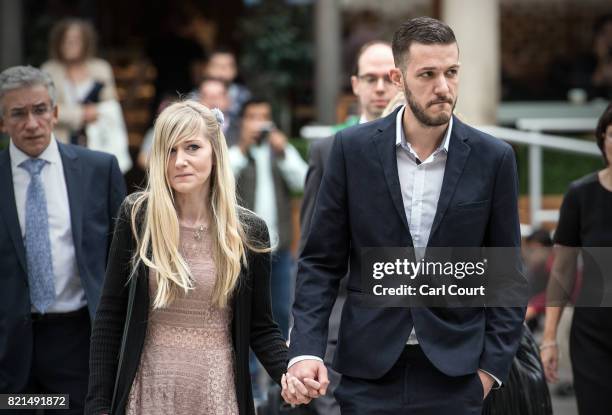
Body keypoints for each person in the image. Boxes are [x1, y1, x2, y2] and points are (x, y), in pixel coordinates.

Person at [287, 17, 527, 414]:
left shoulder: (494, 158)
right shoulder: (351, 151)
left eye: (451, 72)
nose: (443, 88)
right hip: (368, 372)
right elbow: (319, 262)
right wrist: (306, 351)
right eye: (428, 74)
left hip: (457, 375)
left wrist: (490, 371)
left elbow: (506, 274)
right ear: (399, 78)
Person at [85, 100, 310, 415]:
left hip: (217, 393)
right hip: (148, 391)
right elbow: (110, 317)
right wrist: (97, 406)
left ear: (215, 153)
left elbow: (261, 327)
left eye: (192, 147)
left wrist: (290, 372)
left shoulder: (248, 231)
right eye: (170, 150)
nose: (180, 161)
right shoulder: (137, 216)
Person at [0, 65, 126, 414]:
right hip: (9, 350)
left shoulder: (99, 171)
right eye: (18, 113)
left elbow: (124, 261)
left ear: (55, 113)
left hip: (78, 343)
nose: (31, 123)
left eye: (40, 110)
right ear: (3, 121)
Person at [298, 40, 396, 415]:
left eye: (389, 78)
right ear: (355, 85)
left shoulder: (438, 150)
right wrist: (304, 333)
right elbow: (312, 250)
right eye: (370, 78)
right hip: (343, 322)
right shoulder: (330, 150)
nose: (380, 88)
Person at [540, 102, 612, 414]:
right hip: (594, 335)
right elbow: (563, 272)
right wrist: (549, 338)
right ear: (602, 139)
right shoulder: (581, 195)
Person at [42, 18, 131, 172]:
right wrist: (81, 114)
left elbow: (111, 106)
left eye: (75, 39)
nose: (70, 44)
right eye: (65, 39)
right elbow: (44, 110)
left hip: (97, 144)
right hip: (61, 144)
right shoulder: (49, 70)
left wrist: (99, 111)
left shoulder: (101, 68)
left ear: (86, 42)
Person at [204, 48, 251, 121]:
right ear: (207, 68)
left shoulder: (244, 96)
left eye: (226, 66)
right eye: (216, 65)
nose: (221, 71)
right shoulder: (194, 97)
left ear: (235, 70)